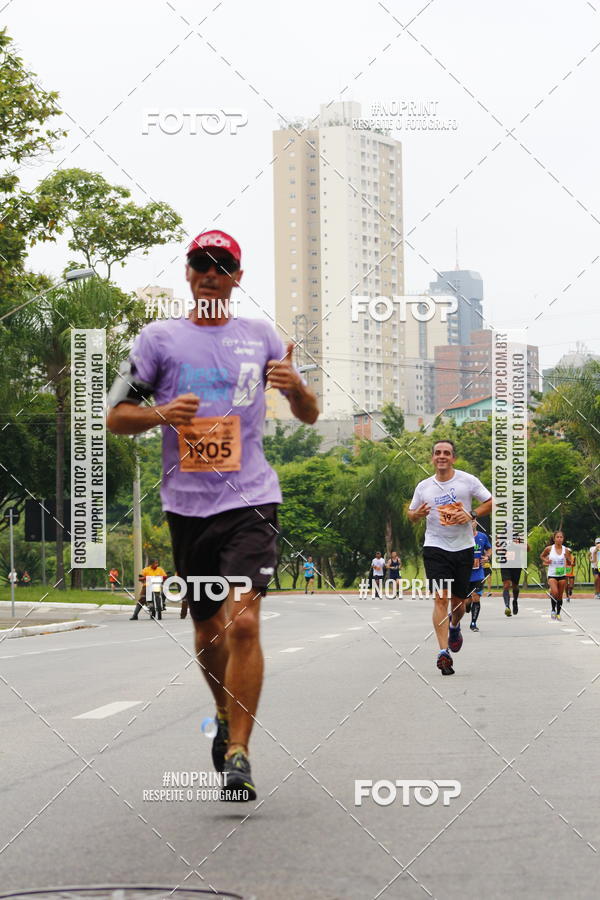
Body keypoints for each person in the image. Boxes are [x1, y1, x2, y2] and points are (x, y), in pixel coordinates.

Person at [107, 229, 318, 801]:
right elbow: (114, 416)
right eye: (200, 263)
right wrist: (158, 414)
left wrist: (295, 386)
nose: (209, 274)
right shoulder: (158, 339)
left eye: (221, 266)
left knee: (243, 621)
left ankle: (239, 752)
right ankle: (224, 713)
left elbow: (310, 414)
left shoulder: (260, 335)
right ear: (187, 272)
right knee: (206, 627)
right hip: (187, 506)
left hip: (252, 497)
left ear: (236, 279)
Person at [408, 439, 493, 675]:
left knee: (459, 605)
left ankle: (455, 626)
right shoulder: (424, 486)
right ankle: (443, 652)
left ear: (453, 458)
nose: (442, 456)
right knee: (440, 598)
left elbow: (490, 502)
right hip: (435, 548)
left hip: (464, 548)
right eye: (437, 453)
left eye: (446, 453)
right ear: (432, 458)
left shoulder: (467, 481)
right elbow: (411, 515)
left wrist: (471, 514)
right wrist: (417, 514)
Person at [541, 531, 574, 621]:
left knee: (559, 596)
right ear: (554, 538)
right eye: (557, 537)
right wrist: (547, 561)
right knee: (554, 592)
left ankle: (558, 613)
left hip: (562, 575)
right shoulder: (549, 549)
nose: (559, 539)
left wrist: (567, 558)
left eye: (561, 537)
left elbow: (570, 563)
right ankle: (553, 610)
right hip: (552, 574)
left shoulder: (565, 550)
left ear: (563, 539)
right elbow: (542, 556)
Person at [467, 521, 491, 632]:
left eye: (472, 521)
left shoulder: (482, 536)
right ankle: (467, 605)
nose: (471, 523)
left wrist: (487, 557)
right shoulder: (460, 536)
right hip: (464, 573)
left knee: (476, 597)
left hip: (478, 572)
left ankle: (473, 623)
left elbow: (489, 549)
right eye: (468, 521)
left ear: (476, 522)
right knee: (466, 602)